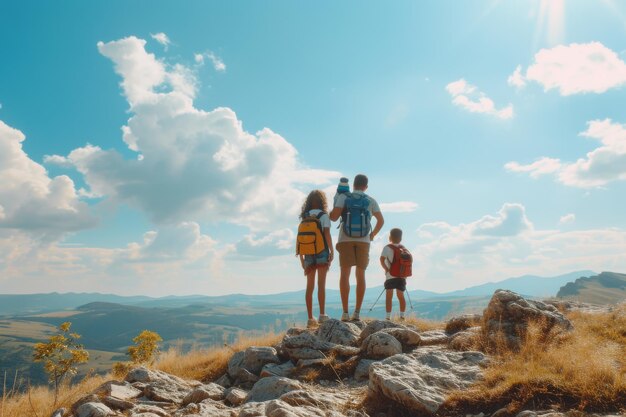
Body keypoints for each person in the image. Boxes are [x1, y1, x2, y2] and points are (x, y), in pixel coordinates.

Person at [329, 174, 384, 321]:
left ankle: (345, 313)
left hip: (345, 239)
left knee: (345, 275)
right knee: (360, 275)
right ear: (366, 186)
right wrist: (372, 235)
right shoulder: (371, 200)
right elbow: (381, 220)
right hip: (364, 240)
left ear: (353, 185)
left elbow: (333, 217)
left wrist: (335, 200)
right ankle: (357, 313)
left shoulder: (344, 197)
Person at [298, 190, 334, 328]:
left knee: (309, 286)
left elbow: (303, 237)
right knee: (321, 285)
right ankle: (322, 314)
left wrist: (301, 257)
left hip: (307, 252)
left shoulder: (305, 216)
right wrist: (331, 250)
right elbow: (327, 234)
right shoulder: (324, 216)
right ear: (322, 201)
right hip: (321, 251)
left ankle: (309, 318)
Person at [380, 228, 408, 321]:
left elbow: (381, 259)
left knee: (389, 296)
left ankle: (388, 317)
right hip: (401, 276)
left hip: (390, 275)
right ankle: (402, 316)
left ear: (390, 237)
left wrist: (386, 269)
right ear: (401, 238)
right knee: (401, 296)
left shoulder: (387, 247)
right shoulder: (404, 248)